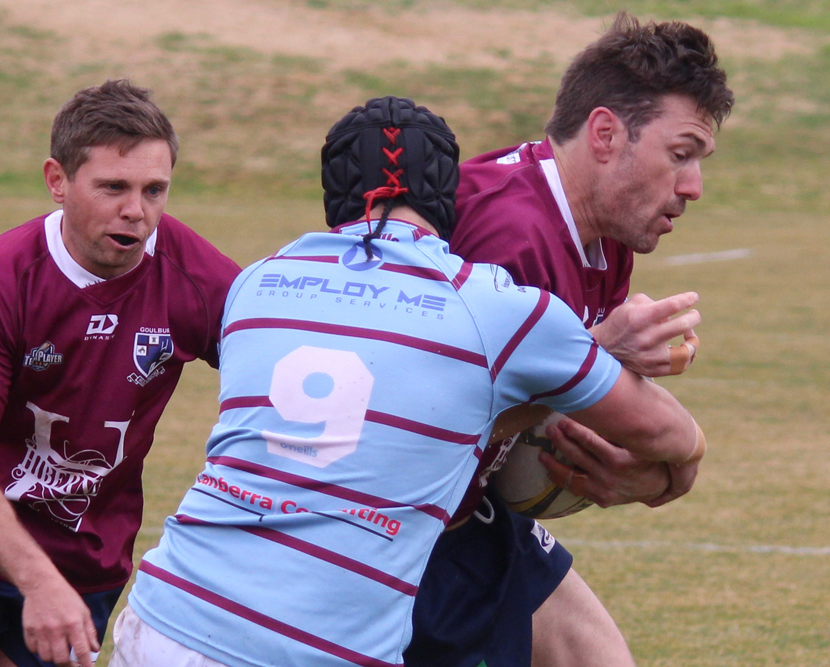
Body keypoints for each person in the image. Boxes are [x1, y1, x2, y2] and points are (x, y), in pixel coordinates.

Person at [108, 95, 705, 667]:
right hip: (317, 650)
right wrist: (676, 461)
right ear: (448, 198)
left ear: (334, 194)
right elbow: (669, 435)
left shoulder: (256, 284)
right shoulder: (494, 307)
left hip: (165, 615)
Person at [405, 13, 735, 667]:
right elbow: (431, 417)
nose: (693, 186)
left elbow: (567, 411)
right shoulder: (511, 235)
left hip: (466, 516)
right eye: (681, 154)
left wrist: (635, 469)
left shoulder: (603, 236)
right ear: (606, 134)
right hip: (399, 532)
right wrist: (601, 361)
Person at [0, 79, 240, 667]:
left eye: (154, 190)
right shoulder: (0, 279)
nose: (137, 211)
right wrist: (37, 582)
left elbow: (278, 362)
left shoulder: (192, 275)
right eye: (113, 187)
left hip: (85, 554)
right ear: (58, 181)